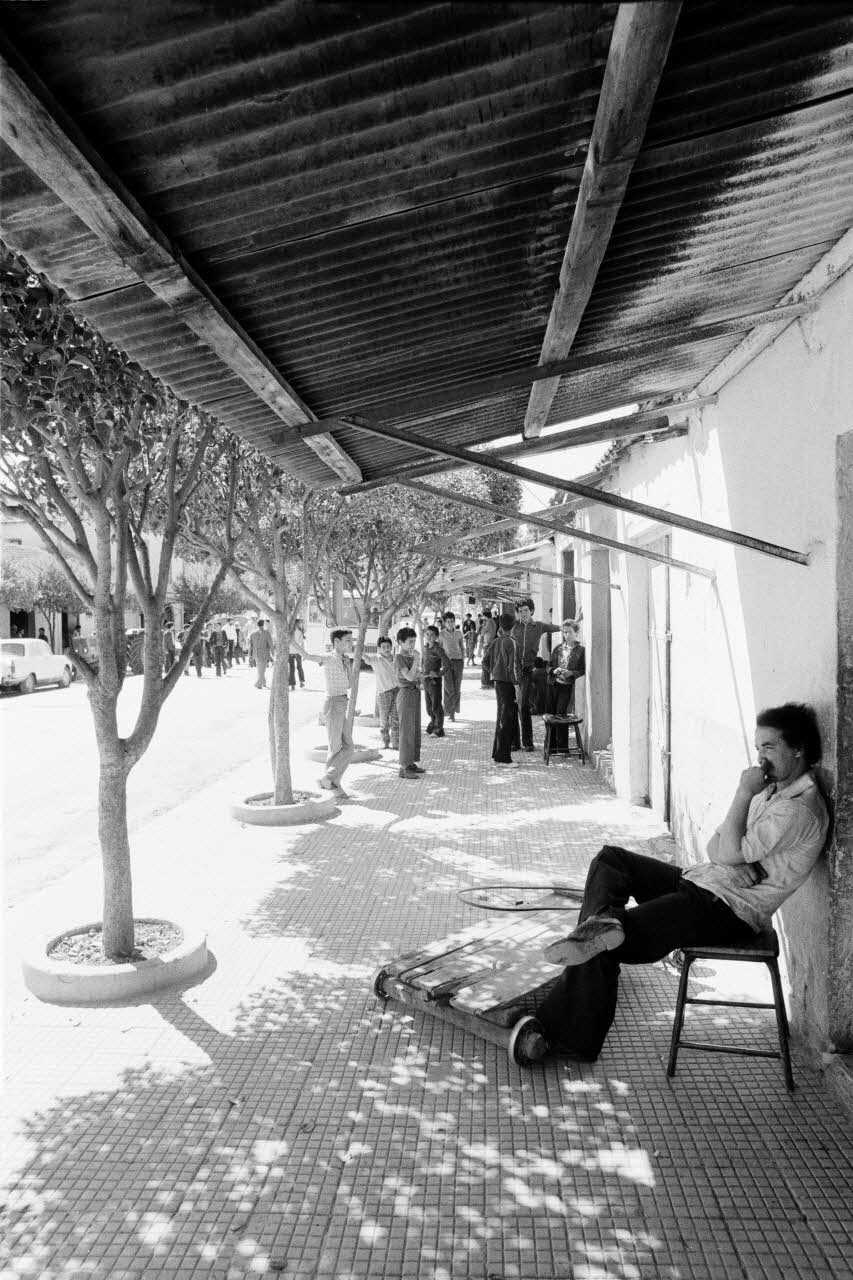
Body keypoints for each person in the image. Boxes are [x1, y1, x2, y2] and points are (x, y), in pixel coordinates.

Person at [536, 703, 829, 1061]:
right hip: (704, 884)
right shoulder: (773, 791)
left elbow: (728, 848)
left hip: (727, 910)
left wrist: (741, 796)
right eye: (757, 748)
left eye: (769, 747)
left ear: (798, 749)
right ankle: (604, 923)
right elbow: (716, 846)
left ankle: (565, 1037)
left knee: (601, 942)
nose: (759, 759)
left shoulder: (797, 808)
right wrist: (731, 853)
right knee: (612, 860)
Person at [297, 628, 356, 797]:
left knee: (349, 747)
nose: (351, 643)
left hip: (342, 702)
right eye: (347, 640)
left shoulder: (345, 660)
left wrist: (348, 665)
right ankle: (330, 780)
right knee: (335, 746)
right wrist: (292, 640)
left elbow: (350, 684)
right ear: (336, 642)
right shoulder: (329, 658)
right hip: (333, 703)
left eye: (351, 640)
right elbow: (308, 656)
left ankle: (329, 779)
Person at [511, 598, 563, 752]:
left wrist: (575, 621)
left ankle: (527, 742)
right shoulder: (513, 627)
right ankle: (514, 742)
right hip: (512, 670)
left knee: (524, 705)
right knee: (513, 705)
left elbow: (558, 627)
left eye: (526, 610)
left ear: (532, 610)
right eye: (520, 611)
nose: (523, 614)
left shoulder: (539, 626)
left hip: (527, 670)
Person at [482, 612, 522, 765]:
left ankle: (498, 753)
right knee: (507, 718)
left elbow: (485, 661)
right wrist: (517, 687)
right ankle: (504, 757)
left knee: (501, 717)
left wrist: (494, 672)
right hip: (507, 684)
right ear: (513, 625)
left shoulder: (496, 641)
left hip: (498, 683)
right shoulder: (511, 642)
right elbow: (513, 668)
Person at [394, 626, 425, 779]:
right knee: (406, 730)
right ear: (401, 642)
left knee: (414, 728)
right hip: (405, 693)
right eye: (410, 642)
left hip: (414, 692)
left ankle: (411, 762)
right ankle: (404, 767)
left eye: (414, 641)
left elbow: (417, 675)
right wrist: (417, 660)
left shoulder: (411, 656)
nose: (413, 645)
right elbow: (410, 677)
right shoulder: (399, 657)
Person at [364, 635, 399, 750]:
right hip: (384, 692)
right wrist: (359, 648)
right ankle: (385, 741)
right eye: (383, 646)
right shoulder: (376, 659)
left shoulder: (396, 658)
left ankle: (396, 743)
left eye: (388, 646)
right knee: (384, 718)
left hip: (397, 690)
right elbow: (365, 659)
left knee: (396, 717)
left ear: (391, 647)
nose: (386, 648)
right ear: (379, 648)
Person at [422, 624, 451, 737]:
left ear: (436, 637)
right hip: (426, 681)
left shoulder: (438, 649)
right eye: (427, 634)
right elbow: (423, 663)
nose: (429, 637)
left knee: (436, 705)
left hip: (434, 682)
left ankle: (439, 729)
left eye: (432, 635)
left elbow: (447, 663)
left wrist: (438, 674)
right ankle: (433, 723)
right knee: (429, 707)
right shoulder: (426, 648)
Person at [439, 612, 465, 721]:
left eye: (452, 621)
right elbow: (439, 649)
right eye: (448, 621)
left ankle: (453, 713)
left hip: (458, 662)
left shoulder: (459, 633)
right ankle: (448, 711)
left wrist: (463, 658)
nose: (450, 623)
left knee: (457, 687)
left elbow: (462, 647)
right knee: (449, 688)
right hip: (447, 663)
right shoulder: (441, 634)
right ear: (444, 623)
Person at [249, 619, 274, 688]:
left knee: (260, 669)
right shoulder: (267, 633)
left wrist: (250, 656)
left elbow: (250, 646)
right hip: (264, 653)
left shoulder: (253, 634)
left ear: (257, 624)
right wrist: (273, 653)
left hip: (256, 653)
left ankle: (263, 683)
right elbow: (270, 644)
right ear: (263, 624)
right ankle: (258, 684)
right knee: (262, 669)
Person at [480, 610, 498, 688]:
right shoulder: (492, 622)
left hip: (488, 644)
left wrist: (483, 625)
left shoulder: (489, 623)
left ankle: (488, 682)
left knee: (485, 663)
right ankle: (488, 683)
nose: (482, 617)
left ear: (485, 616)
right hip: (490, 644)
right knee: (488, 663)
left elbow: (482, 633)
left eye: (483, 616)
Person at [289, 617, 306, 690]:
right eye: (299, 623)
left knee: (291, 668)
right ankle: (301, 682)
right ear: (296, 624)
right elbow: (302, 643)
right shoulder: (299, 632)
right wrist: (303, 653)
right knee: (299, 667)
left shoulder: (289, 632)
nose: (300, 624)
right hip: (297, 652)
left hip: (290, 652)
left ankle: (292, 684)